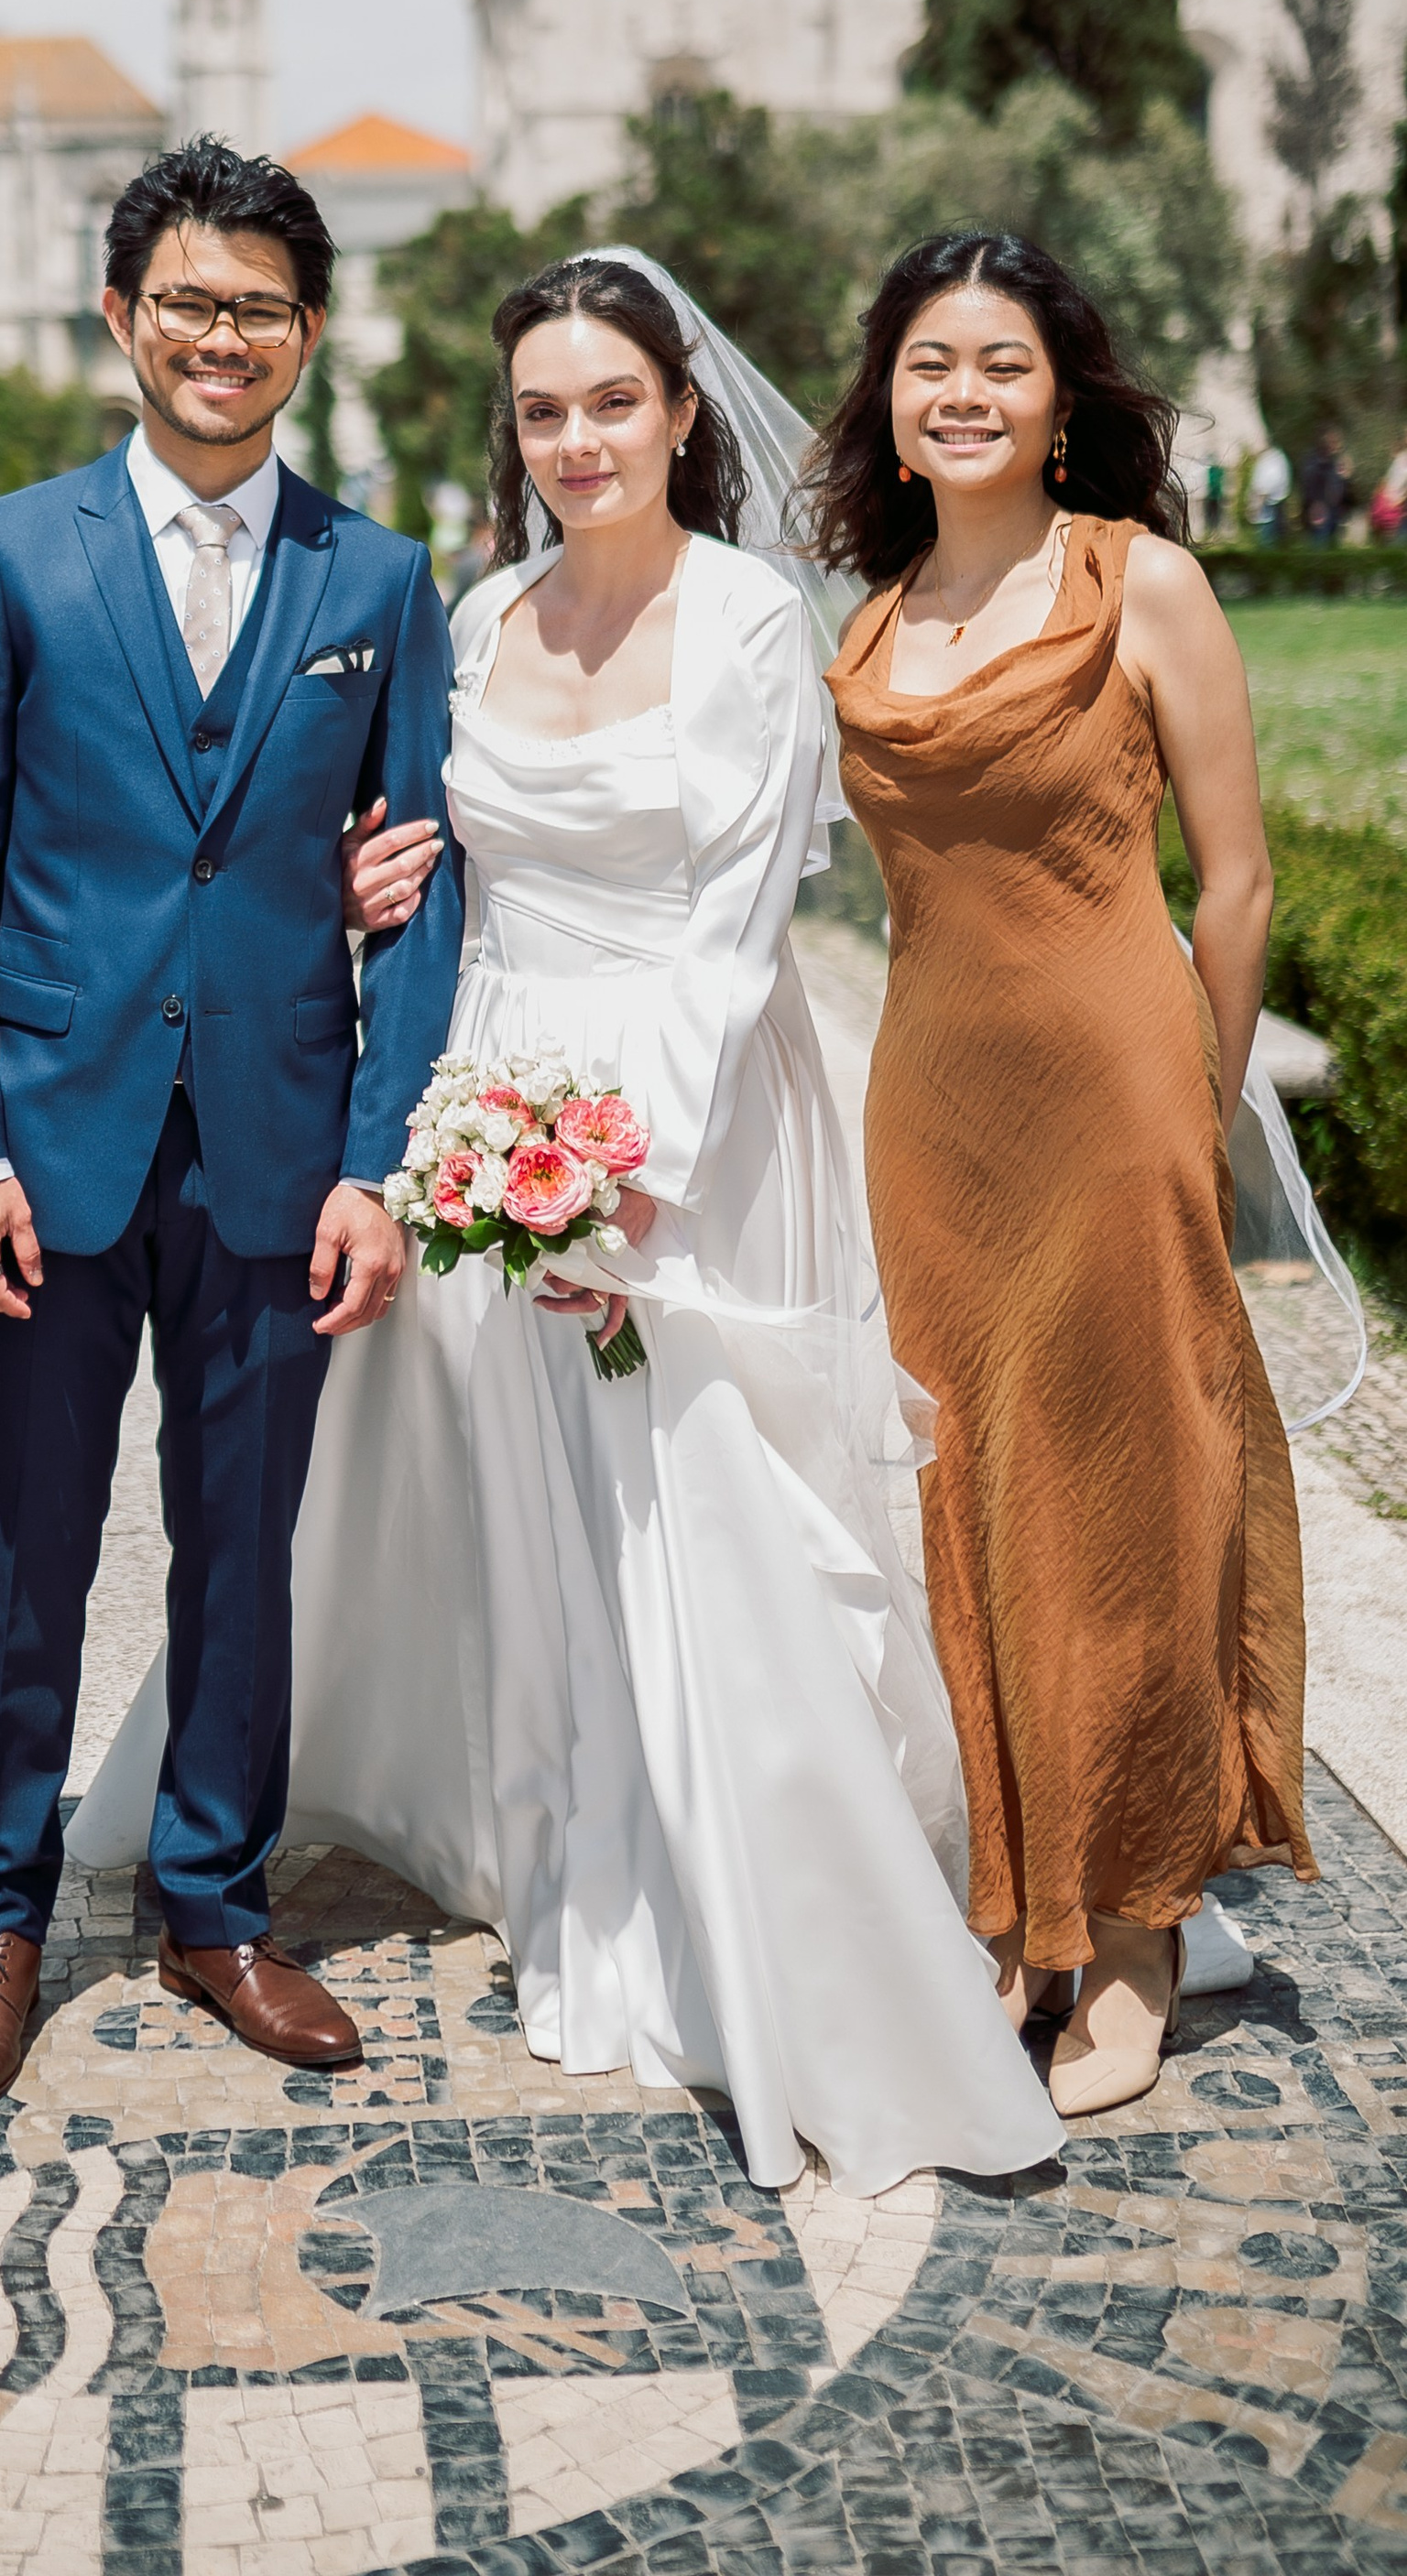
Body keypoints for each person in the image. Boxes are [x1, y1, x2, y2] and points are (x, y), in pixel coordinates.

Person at [79, 252, 1063, 2199]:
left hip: (685, 1106)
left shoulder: (753, 620)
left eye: (610, 400)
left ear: (680, 413)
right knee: (527, 1494)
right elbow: (431, 855)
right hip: (494, 1083)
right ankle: (566, 1839)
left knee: (707, 1496)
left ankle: (745, 1886)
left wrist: (629, 1172)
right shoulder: (480, 607)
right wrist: (374, 891)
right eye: (540, 409)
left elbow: (734, 919)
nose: (577, 439)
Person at [0, 136, 464, 2116]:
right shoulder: (2, 550)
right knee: (21, 1549)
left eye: (260, 309)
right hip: (43, 1154)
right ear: (118, 314)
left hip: (274, 1147)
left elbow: (422, 882)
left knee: (240, 1552)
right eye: (188, 303)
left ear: (310, 333)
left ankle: (214, 1903)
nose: (221, 339)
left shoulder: (378, 578)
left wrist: (375, 1158)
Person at [811, 231, 1313, 2120]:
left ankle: (1134, 1927)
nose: (960, 392)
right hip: (924, 1113)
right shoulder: (865, 617)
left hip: (1111, 1098)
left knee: (1121, 1493)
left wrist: (1191, 1096)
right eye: (927, 360)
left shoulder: (1142, 583)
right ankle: (1015, 1903)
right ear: (885, 393)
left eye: (999, 364)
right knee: (965, 1495)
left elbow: (1236, 878)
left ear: (1060, 393)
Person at [1300, 426, 1351, 549]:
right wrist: (1315, 505)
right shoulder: (1315, 462)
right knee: (1320, 545)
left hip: (1335, 511)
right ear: (1325, 442)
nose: (1338, 445)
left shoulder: (1334, 461)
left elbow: (1342, 485)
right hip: (1321, 510)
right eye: (1334, 442)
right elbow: (1309, 485)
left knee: (1331, 547)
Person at [1247, 438, 1291, 543]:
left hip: (1270, 501)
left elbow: (1271, 480)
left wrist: (1262, 495)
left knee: (1269, 533)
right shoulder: (1268, 458)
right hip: (1265, 500)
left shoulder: (1274, 458)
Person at [1370, 446, 1407, 542]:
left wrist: (1400, 499)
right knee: (1381, 527)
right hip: (1388, 497)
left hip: (1396, 500)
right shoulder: (1401, 457)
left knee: (1393, 533)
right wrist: (1381, 492)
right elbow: (1388, 477)